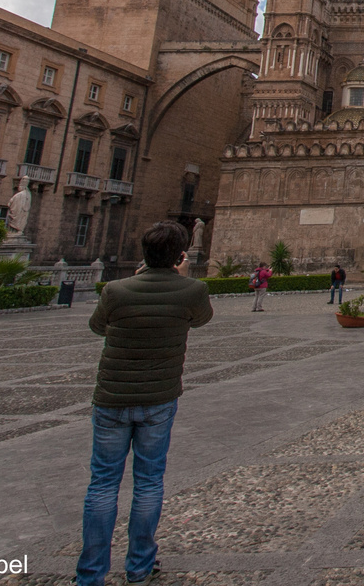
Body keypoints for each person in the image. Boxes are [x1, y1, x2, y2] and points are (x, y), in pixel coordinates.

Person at [77, 221, 212, 586]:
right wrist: (177, 276)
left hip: (112, 398)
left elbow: (97, 327)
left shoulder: (116, 290)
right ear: (180, 256)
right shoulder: (192, 290)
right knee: (149, 482)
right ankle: (139, 566)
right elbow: (202, 319)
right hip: (157, 400)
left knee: (103, 484)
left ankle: (90, 575)